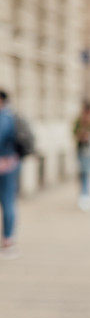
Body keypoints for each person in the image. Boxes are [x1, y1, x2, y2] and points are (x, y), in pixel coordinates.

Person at [0, 91, 21, 258]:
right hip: (10, 163)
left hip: (5, 165)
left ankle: (7, 240)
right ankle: (8, 239)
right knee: (8, 201)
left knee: (7, 202)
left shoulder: (4, 117)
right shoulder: (10, 116)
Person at [73, 100, 90, 211]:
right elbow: (74, 132)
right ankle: (83, 195)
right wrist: (81, 134)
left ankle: (86, 195)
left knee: (88, 173)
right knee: (82, 173)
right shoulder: (79, 120)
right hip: (81, 149)